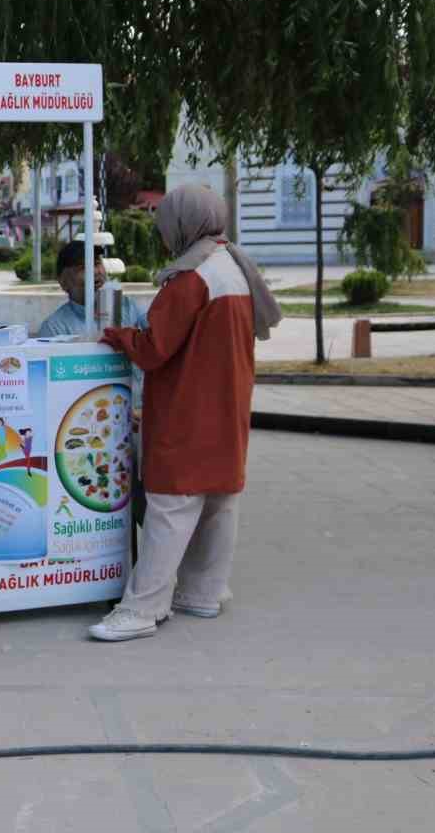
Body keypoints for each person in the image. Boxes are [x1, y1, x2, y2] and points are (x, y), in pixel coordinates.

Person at [88, 184, 281, 641]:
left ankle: (142, 608)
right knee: (218, 500)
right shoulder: (233, 264)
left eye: (164, 226)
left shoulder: (192, 277)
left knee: (170, 507)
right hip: (227, 402)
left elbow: (155, 348)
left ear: (182, 223)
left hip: (189, 407)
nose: (161, 236)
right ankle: (203, 592)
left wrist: (119, 337)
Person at [35, 239, 149, 338]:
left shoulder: (128, 308)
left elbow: (160, 334)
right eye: (83, 267)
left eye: (97, 263)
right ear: (64, 282)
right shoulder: (55, 329)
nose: (95, 271)